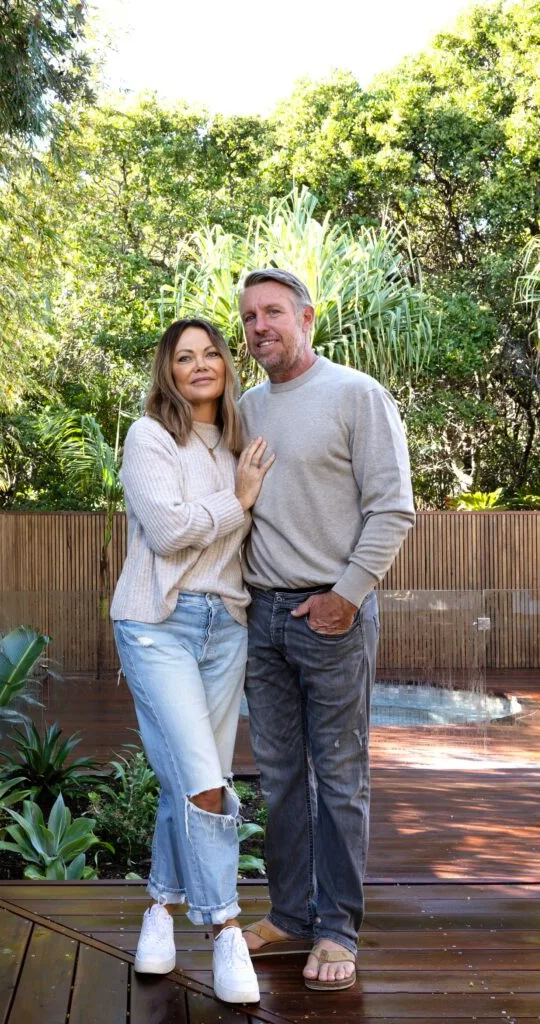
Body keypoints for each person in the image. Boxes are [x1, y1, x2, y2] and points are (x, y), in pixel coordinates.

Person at [237, 268, 415, 991]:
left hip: (331, 614)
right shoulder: (243, 408)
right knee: (278, 776)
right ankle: (289, 915)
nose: (259, 327)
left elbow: (393, 508)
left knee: (339, 777)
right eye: (248, 317)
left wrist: (346, 596)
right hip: (261, 615)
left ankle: (337, 928)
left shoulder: (356, 395)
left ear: (308, 318)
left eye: (273, 312)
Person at [111, 317, 274, 1004]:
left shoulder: (238, 440)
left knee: (189, 777)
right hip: (157, 626)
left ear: (225, 366)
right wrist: (237, 500)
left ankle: (159, 910)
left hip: (224, 628)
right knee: (206, 780)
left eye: (212, 353)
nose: (201, 364)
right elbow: (172, 530)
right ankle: (225, 928)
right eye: (186, 356)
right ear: (168, 370)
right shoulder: (150, 436)